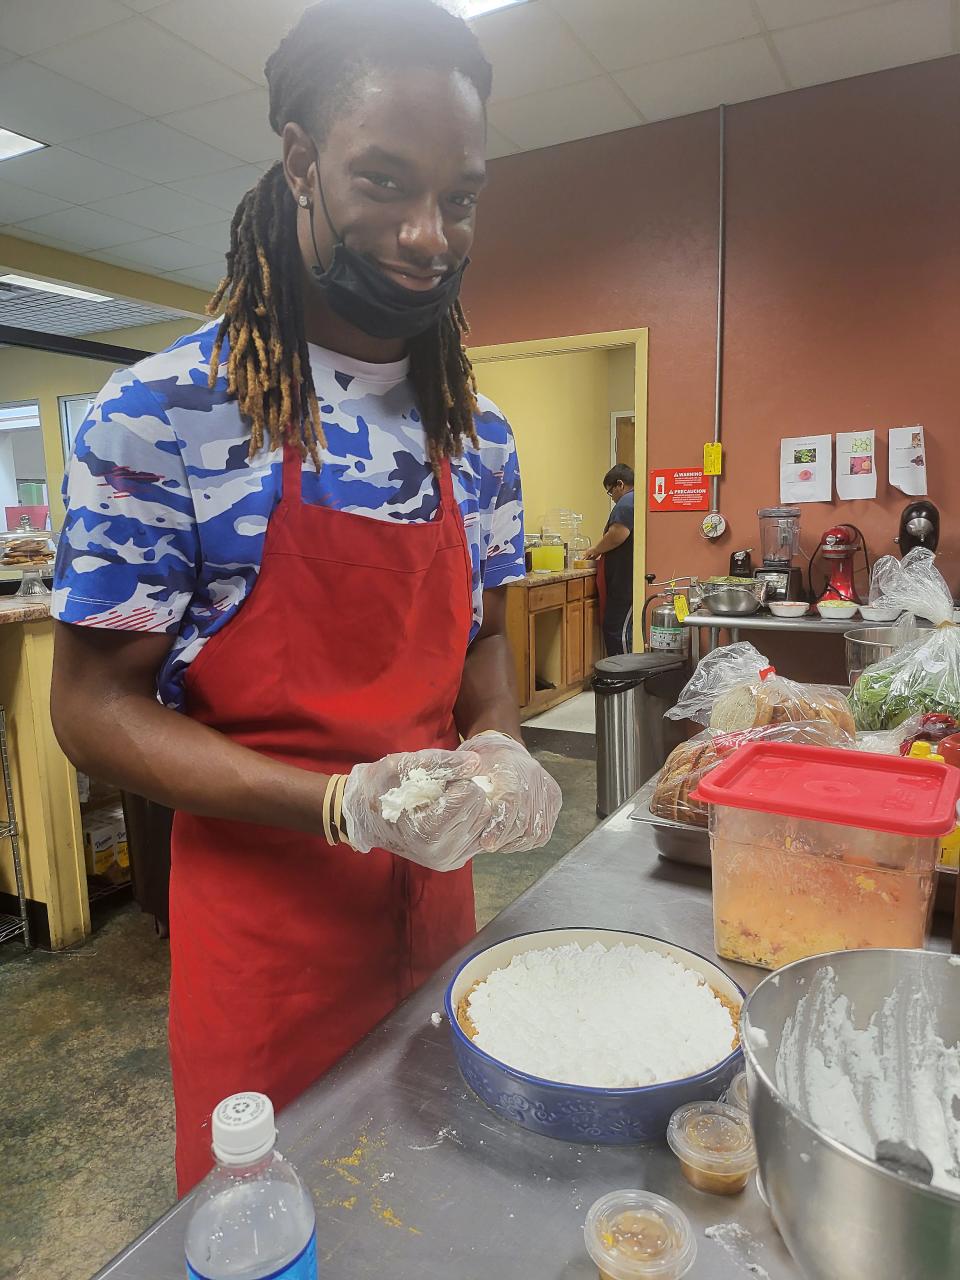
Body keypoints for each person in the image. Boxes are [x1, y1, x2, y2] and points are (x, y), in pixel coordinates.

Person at [50, 0, 561, 1194]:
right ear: (299, 160)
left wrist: (496, 741)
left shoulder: (475, 434)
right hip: (263, 936)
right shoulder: (164, 413)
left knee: (442, 1201)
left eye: (463, 195)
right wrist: (340, 805)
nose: (430, 235)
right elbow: (90, 706)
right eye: (384, 180)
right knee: (280, 1224)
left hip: (436, 908)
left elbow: (483, 641)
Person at [586, 463, 635, 655]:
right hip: (625, 581)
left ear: (620, 484)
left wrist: (595, 549)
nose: (612, 498)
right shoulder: (635, 501)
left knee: (617, 630)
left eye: (610, 492)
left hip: (624, 583)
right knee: (619, 627)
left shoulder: (626, 502)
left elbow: (618, 534)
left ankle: (623, 678)